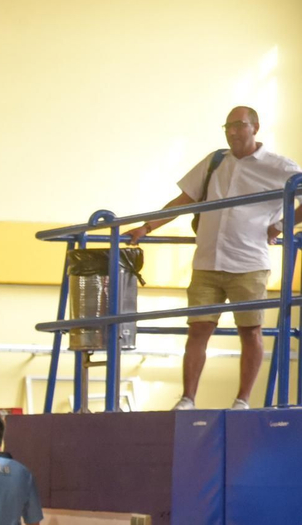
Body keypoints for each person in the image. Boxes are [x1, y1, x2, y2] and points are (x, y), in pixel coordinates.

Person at [126, 106, 302, 411]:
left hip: (249, 263)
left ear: (255, 128)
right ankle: (187, 399)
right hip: (207, 262)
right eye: (227, 126)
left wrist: (282, 225)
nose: (232, 132)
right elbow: (184, 200)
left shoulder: (279, 166)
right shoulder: (215, 161)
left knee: (251, 331)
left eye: (239, 125)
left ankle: (242, 401)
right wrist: (147, 225)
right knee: (198, 329)